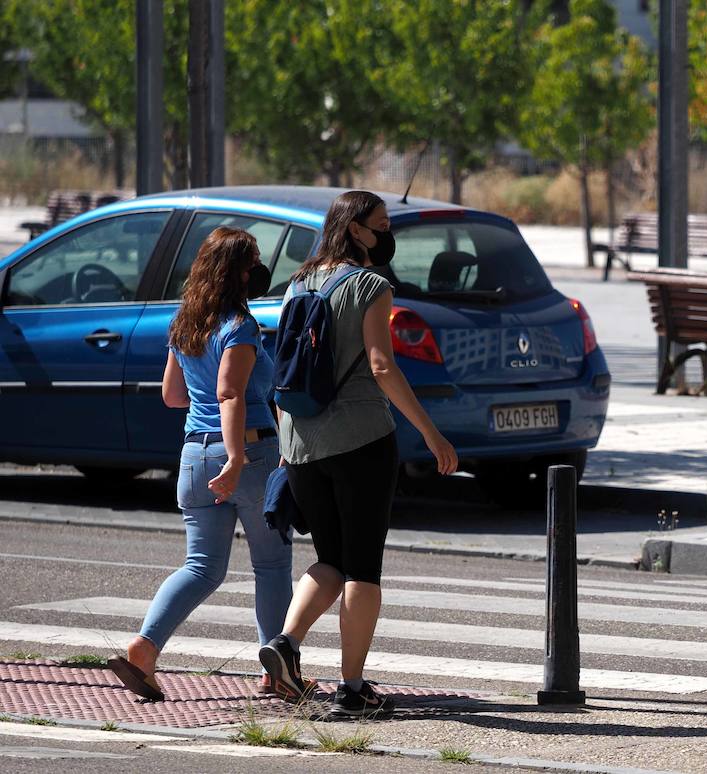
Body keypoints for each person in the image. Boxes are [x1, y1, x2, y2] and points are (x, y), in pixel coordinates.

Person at [259, 190, 458, 718]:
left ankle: (285, 643)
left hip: (301, 444)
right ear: (356, 231)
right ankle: (352, 689)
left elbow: (284, 372)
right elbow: (382, 366)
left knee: (330, 557)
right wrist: (433, 436)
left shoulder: (298, 283)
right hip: (361, 440)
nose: (388, 233)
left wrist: (285, 445)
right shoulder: (371, 286)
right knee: (363, 567)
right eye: (382, 224)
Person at [109, 227, 290, 702]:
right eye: (252, 264)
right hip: (248, 454)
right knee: (271, 564)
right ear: (240, 273)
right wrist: (234, 458)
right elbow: (230, 392)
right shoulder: (241, 328)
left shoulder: (186, 323)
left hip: (192, 452)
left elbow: (173, 395)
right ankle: (276, 671)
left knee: (201, 567)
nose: (259, 273)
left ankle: (145, 648)